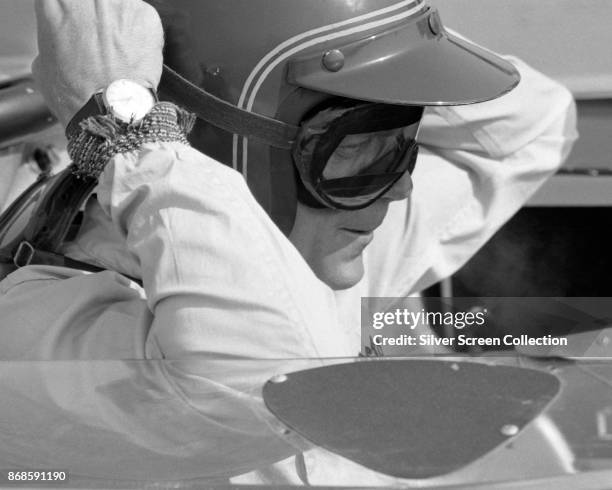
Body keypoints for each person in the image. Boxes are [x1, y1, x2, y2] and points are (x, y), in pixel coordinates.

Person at [0, 0, 577, 485]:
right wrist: (129, 130)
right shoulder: (39, 325)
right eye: (357, 149)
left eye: (403, 143)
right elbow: (264, 378)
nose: (401, 187)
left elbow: (530, 123)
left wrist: (353, 35)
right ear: (219, 149)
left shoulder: (320, 233)